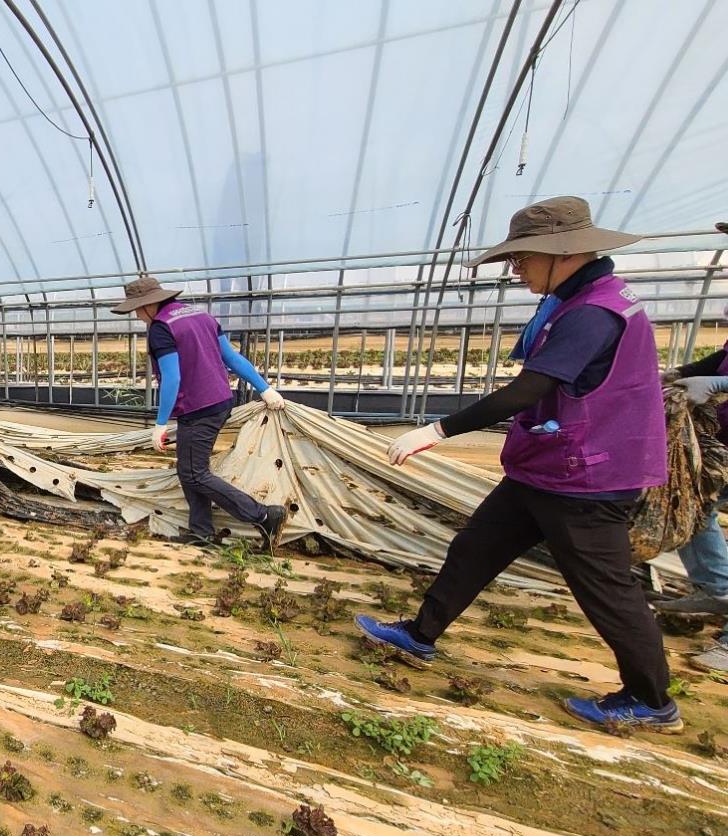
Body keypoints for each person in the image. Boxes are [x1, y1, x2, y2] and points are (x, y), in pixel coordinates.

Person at [360, 195, 678, 733]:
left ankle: (651, 700)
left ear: (565, 252)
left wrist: (435, 430)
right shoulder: (582, 299)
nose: (516, 269)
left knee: (606, 591)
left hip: (586, 479)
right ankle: (420, 634)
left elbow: (528, 389)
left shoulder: (592, 313)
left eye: (522, 258)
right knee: (476, 548)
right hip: (549, 466)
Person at [110, 275, 288, 548]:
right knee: (189, 469)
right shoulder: (201, 315)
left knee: (194, 473)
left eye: (136, 308)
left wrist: (159, 425)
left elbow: (172, 378)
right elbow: (231, 358)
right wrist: (265, 388)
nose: (136, 314)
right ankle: (201, 532)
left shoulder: (160, 328)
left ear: (148, 304)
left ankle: (263, 515)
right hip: (220, 401)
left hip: (198, 408)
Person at [652, 342, 728, 671]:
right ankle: (716, 589)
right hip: (722, 443)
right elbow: (721, 359)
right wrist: (682, 373)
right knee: (694, 509)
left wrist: (723, 385)